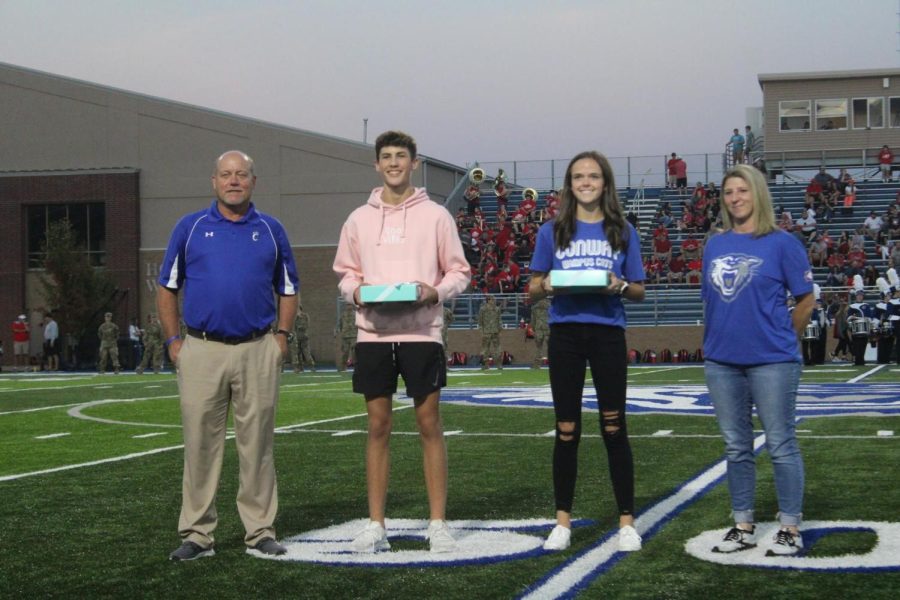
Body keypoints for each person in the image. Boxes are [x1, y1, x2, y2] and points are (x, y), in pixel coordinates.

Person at [332, 130, 471, 554]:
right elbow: (346, 273)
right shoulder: (358, 218)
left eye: (402, 156)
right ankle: (376, 524)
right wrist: (354, 293)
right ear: (377, 164)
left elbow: (459, 272)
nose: (394, 163)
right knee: (377, 427)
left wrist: (435, 292)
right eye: (387, 156)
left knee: (429, 424)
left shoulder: (436, 216)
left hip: (421, 332)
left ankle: (438, 523)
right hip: (372, 335)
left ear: (414, 163)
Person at [158, 150, 299, 561]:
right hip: (201, 350)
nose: (233, 181)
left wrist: (282, 337)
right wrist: (173, 343)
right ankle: (198, 535)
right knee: (200, 444)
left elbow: (288, 287)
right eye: (226, 175)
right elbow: (167, 287)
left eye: (241, 174)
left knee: (258, 445)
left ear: (254, 181)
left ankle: (260, 530)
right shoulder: (191, 227)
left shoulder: (272, 229)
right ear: (214, 181)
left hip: (258, 348)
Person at [528, 150, 646, 553]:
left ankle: (626, 522)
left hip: (608, 334)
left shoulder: (623, 229)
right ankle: (562, 521)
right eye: (578, 176)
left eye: (593, 176)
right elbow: (531, 289)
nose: (586, 182)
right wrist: (546, 286)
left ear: (605, 182)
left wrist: (618, 285)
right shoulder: (552, 230)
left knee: (614, 427)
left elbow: (640, 291)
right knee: (566, 430)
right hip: (565, 335)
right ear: (570, 184)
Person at [702, 164, 814, 556]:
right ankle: (743, 523)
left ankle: (789, 525)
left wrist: (783, 339)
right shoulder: (714, 245)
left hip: (773, 361)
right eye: (729, 192)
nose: (735, 198)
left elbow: (806, 298)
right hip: (721, 362)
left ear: (758, 194)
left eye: (743, 190)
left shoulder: (782, 243)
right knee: (736, 446)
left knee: (781, 443)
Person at [478, 295, 503, 369]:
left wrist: (500, 329)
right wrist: (481, 331)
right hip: (486, 332)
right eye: (492, 299)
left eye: (494, 299)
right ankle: (486, 365)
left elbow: (499, 320)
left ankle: (499, 364)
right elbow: (480, 321)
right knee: (485, 349)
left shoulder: (497, 309)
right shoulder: (483, 309)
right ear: (488, 300)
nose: (494, 301)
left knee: (497, 348)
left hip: (495, 331)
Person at [291, 304, 316, 373]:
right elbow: (292, 326)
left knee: (306, 352)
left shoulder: (304, 316)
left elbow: (305, 326)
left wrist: (298, 319)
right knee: (296, 353)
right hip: (295, 336)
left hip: (303, 336)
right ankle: (298, 368)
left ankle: (311, 366)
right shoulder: (294, 317)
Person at [530, 296, 550, 369]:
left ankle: (537, 364)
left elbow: (533, 320)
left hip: (538, 328)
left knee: (539, 347)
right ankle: (554, 364)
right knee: (550, 347)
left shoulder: (535, 307)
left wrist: (533, 329)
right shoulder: (550, 306)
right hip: (548, 327)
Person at [337, 303, 357, 371]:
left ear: (352, 306)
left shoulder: (356, 314)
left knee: (355, 352)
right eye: (347, 305)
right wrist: (340, 332)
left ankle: (356, 367)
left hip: (354, 336)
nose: (348, 306)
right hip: (345, 336)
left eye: (350, 305)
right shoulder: (343, 315)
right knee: (345, 352)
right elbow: (340, 324)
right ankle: (343, 368)